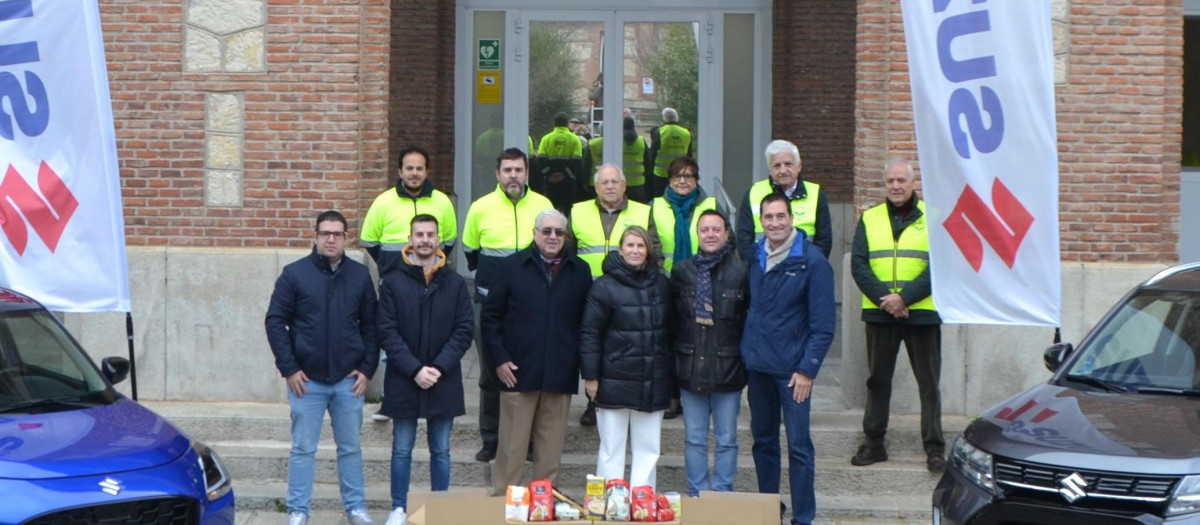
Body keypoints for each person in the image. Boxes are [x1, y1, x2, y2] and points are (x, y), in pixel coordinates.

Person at [265, 210, 378, 525]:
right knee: (303, 449)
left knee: (350, 448)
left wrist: (367, 368)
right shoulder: (294, 274)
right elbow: (275, 322)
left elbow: (372, 326)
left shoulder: (359, 275)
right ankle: (298, 511)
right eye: (325, 233)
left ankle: (356, 509)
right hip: (307, 381)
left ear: (345, 238)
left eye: (337, 234)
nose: (331, 239)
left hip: (347, 381)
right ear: (314, 237)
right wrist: (289, 368)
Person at [481, 209, 593, 494]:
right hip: (517, 371)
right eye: (547, 231)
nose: (553, 236)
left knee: (550, 452)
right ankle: (503, 508)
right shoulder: (511, 267)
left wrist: (583, 368)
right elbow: (490, 318)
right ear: (535, 233)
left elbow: (586, 323)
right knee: (511, 450)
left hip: (559, 373)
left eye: (559, 232)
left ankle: (544, 505)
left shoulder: (580, 271)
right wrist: (500, 360)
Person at [741, 193, 835, 525]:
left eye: (781, 216)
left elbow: (823, 326)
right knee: (763, 443)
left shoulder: (813, 262)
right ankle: (770, 511)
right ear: (761, 221)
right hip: (759, 370)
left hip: (793, 374)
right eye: (769, 217)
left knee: (799, 448)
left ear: (791, 218)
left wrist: (808, 370)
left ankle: (803, 517)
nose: (775, 223)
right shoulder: (756, 256)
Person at [375, 214, 473, 523]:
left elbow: (464, 331)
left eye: (431, 234)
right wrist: (415, 369)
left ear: (439, 239)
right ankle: (399, 508)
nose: (425, 240)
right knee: (401, 450)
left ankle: (438, 510)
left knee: (441, 451)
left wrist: (439, 368)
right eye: (420, 234)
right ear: (410, 238)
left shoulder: (455, 283)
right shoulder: (392, 281)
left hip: (443, 378)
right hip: (405, 378)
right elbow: (387, 331)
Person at [849, 158, 945, 473]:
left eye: (901, 180)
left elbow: (941, 266)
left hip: (923, 314)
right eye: (890, 181)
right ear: (884, 184)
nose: (895, 186)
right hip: (880, 315)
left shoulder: (933, 218)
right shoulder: (870, 218)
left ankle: (934, 448)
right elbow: (859, 265)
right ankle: (874, 444)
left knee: (929, 384)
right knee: (878, 381)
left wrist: (904, 298)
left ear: (912, 182)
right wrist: (886, 301)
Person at [462, 148, 555, 463]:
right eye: (507, 170)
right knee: (491, 372)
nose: (513, 175)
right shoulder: (480, 208)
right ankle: (491, 439)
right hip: (489, 304)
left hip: (532, 306)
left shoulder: (543, 206)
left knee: (527, 372)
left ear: (527, 173)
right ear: (497, 174)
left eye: (518, 170)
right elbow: (471, 253)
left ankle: (527, 441)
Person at [361, 145, 457, 422]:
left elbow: (448, 241)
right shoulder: (383, 202)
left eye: (419, 168)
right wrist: (391, 268)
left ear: (427, 171)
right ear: (400, 171)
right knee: (393, 341)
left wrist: (430, 266)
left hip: (432, 282)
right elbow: (369, 240)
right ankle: (390, 401)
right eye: (409, 168)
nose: (414, 173)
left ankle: (432, 395)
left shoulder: (442, 202)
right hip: (395, 285)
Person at [580, 226, 674, 490]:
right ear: (620, 250)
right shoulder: (603, 287)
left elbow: (670, 331)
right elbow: (589, 334)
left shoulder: (663, 285)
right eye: (630, 245)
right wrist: (591, 377)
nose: (635, 251)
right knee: (611, 448)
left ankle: (642, 502)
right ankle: (610, 504)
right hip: (613, 377)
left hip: (652, 379)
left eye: (640, 246)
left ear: (648, 251)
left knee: (648, 449)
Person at [670, 209, 749, 497]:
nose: (711, 234)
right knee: (694, 439)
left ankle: (723, 495)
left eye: (717, 229)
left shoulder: (742, 272)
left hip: (728, 368)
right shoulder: (681, 271)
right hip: (690, 366)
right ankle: (698, 495)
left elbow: (747, 322)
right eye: (705, 229)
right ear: (697, 234)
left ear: (727, 234)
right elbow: (674, 321)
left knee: (727, 439)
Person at [570, 164, 653, 426]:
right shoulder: (578, 211)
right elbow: (568, 254)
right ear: (595, 187)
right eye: (604, 182)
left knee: (618, 347)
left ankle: (620, 398)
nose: (609, 186)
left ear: (624, 186)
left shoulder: (642, 211)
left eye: (615, 182)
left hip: (627, 293)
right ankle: (592, 402)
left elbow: (654, 252)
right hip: (586, 292)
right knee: (591, 346)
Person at [736, 140, 832, 262]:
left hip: (804, 269)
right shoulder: (754, 193)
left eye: (788, 164)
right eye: (777, 165)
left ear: (799, 166)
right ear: (770, 170)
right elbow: (744, 240)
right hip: (764, 268)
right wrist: (757, 268)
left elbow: (824, 241)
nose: (782, 170)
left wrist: (810, 268)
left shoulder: (816, 194)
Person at [649, 156, 721, 275]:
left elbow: (727, 242)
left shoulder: (711, 205)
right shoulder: (654, 206)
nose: (682, 181)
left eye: (688, 176)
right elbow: (648, 246)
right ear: (670, 180)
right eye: (677, 176)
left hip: (703, 280)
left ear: (696, 180)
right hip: (664, 280)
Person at [588, 117, 649, 204]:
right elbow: (648, 163)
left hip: (619, 183)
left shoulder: (617, 141)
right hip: (638, 184)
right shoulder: (641, 141)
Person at [535, 112, 585, 212]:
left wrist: (550, 174)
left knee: (551, 209)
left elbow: (541, 160)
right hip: (568, 181)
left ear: (555, 123)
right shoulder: (575, 139)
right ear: (567, 123)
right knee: (568, 210)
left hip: (551, 182)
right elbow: (577, 161)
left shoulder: (546, 139)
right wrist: (565, 174)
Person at [648, 108, 693, 198]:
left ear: (664, 118)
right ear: (677, 117)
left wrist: (649, 173)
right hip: (679, 174)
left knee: (660, 201)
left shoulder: (660, 132)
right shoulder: (686, 133)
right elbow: (689, 156)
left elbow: (652, 154)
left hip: (660, 175)